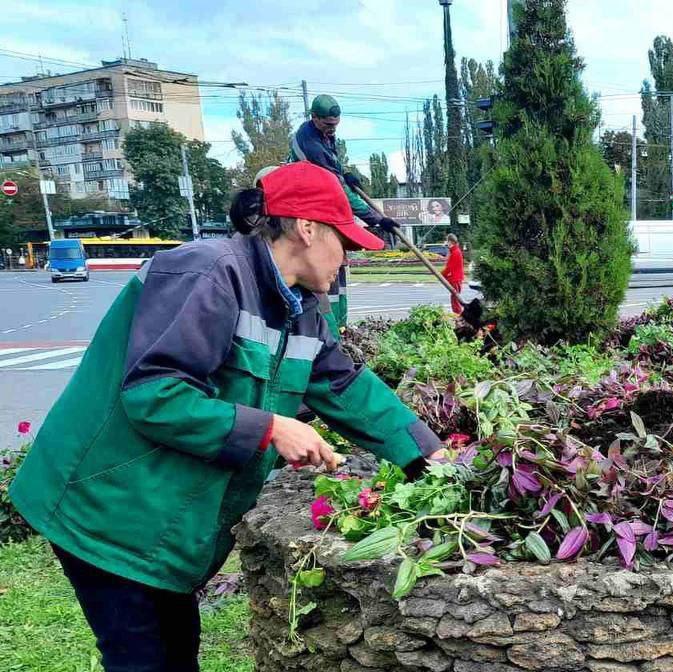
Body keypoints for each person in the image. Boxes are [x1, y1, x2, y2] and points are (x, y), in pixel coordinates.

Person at [9, 162, 442, 672]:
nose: (348, 259)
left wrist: (432, 457)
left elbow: (344, 384)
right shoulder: (205, 273)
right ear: (307, 228)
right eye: (344, 243)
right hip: (105, 509)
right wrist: (272, 428)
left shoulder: (300, 305)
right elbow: (155, 394)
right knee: (142, 658)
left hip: (160, 516)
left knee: (175, 649)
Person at [288, 93, 401, 336]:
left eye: (335, 125)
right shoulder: (310, 145)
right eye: (328, 125)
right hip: (311, 215)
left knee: (337, 277)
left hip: (323, 211)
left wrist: (345, 174)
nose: (332, 130)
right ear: (314, 118)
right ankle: (328, 336)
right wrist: (377, 219)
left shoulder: (325, 136)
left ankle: (340, 330)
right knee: (322, 282)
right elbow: (337, 194)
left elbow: (336, 174)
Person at [443, 233, 465, 315]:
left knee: (455, 299)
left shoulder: (455, 252)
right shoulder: (454, 251)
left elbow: (449, 268)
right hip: (455, 278)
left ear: (450, 241)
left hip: (456, 279)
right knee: (455, 298)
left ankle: (458, 315)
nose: (446, 243)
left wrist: (442, 275)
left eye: (447, 241)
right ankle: (458, 314)